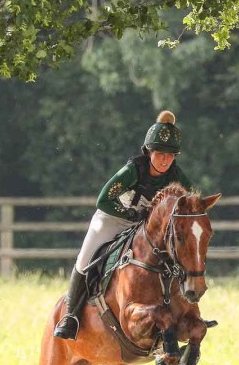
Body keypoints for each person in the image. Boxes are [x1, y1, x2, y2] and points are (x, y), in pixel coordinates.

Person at [53, 110, 195, 340]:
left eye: (170, 155)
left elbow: (190, 202)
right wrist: (131, 213)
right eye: (160, 153)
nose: (165, 160)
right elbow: (103, 200)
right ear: (149, 151)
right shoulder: (133, 170)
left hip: (144, 229)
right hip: (113, 218)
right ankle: (71, 316)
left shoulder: (176, 175)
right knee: (85, 259)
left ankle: (183, 314)